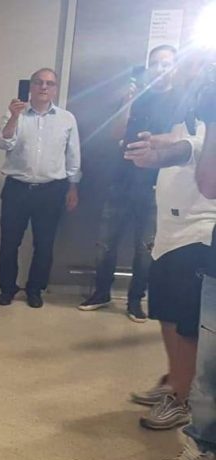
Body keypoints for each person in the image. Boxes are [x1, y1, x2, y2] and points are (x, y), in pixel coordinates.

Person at [123, 113, 214, 430]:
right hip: (169, 235)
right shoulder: (187, 116)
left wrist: (156, 156)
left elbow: (189, 147)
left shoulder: (210, 122)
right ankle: (175, 380)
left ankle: (182, 399)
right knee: (165, 313)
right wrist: (155, 141)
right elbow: (178, 139)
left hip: (197, 234)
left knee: (185, 322)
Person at [79, 45, 182, 321]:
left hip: (156, 185)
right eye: (155, 63)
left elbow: (179, 139)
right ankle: (101, 293)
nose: (160, 68)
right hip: (121, 180)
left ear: (174, 67)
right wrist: (127, 103)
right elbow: (116, 134)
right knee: (105, 243)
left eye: (166, 63)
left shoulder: (181, 100)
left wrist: (153, 141)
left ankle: (136, 300)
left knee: (145, 248)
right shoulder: (138, 97)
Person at [0, 68, 81, 308]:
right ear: (31, 86)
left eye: (49, 83)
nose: (44, 87)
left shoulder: (67, 119)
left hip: (51, 190)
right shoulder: (14, 114)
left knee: (44, 245)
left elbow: (73, 156)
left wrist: (73, 187)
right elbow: (3, 143)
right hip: (17, 189)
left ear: (55, 89)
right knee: (9, 243)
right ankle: (7, 289)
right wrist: (14, 117)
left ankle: (35, 290)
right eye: (39, 82)